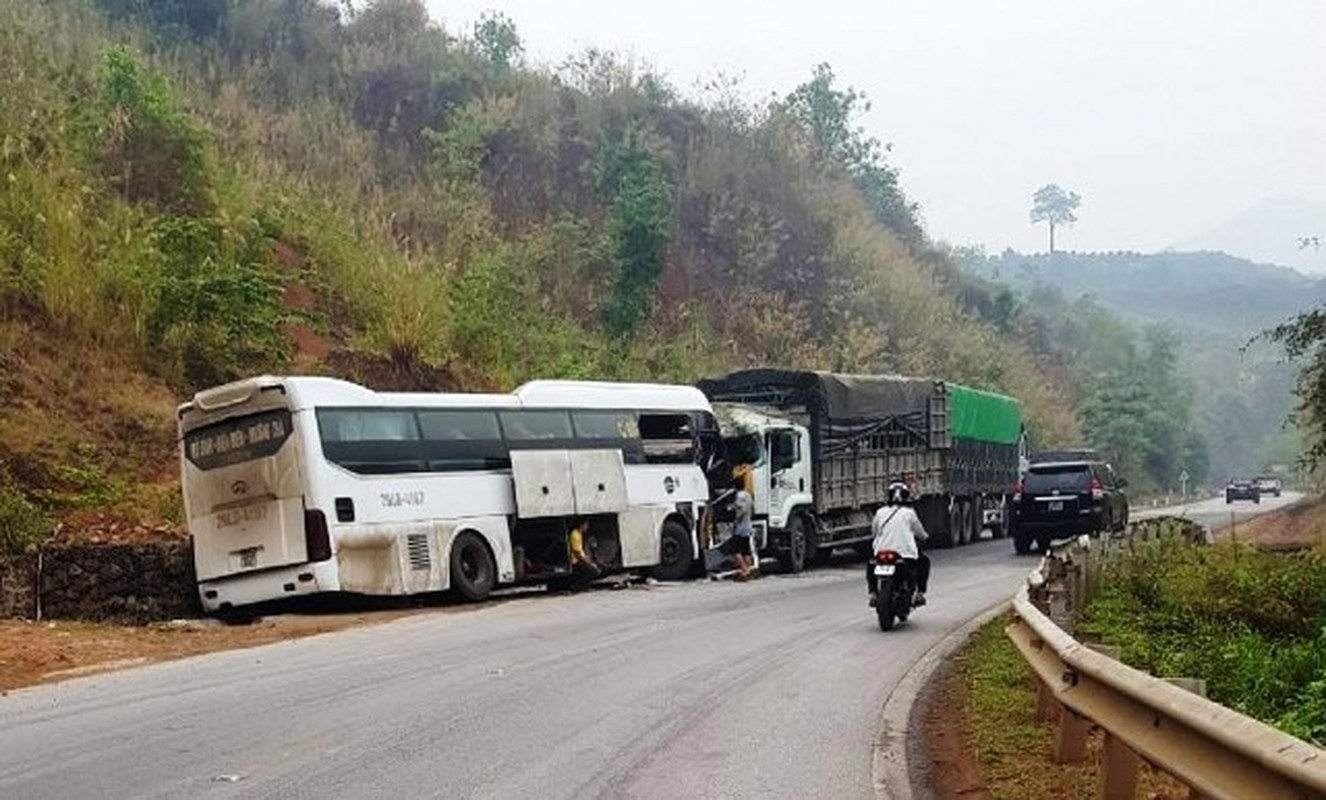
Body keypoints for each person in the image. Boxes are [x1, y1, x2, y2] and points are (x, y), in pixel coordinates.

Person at [867, 481, 931, 607]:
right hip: (905, 554)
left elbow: (874, 532)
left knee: (870, 566)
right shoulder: (910, 513)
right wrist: (926, 538)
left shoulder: (880, 512)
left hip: (881, 552)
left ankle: (873, 594)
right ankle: (920, 594)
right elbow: (920, 533)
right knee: (924, 562)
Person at [722, 464, 758, 581]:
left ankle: (744, 571)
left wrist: (734, 518)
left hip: (740, 528)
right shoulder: (748, 495)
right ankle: (748, 569)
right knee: (746, 551)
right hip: (748, 526)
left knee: (735, 551)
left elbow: (740, 510)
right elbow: (751, 509)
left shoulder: (739, 496)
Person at [567, 517, 601, 591]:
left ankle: (583, 586)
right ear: (581, 525)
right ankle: (578, 586)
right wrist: (588, 562)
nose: (587, 527)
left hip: (580, 558)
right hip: (575, 560)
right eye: (586, 525)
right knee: (594, 571)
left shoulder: (579, 534)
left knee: (595, 567)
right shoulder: (575, 535)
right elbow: (577, 552)